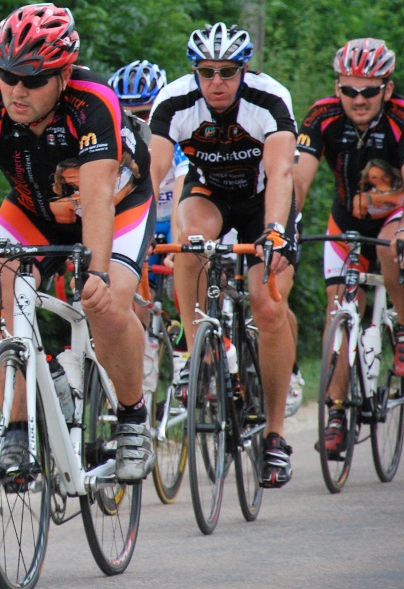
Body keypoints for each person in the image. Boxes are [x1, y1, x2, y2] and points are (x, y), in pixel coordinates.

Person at [0, 4, 157, 482]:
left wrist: (98, 273)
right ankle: (17, 431)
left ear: (63, 74)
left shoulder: (94, 102)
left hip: (116, 205)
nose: (16, 90)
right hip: (35, 210)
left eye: (33, 79)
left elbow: (100, 197)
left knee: (108, 305)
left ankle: (131, 420)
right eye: (7, 74)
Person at [148, 22, 298, 488]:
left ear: (243, 70)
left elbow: (280, 174)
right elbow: (153, 173)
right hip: (208, 191)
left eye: (227, 72)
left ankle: (274, 436)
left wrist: (273, 231)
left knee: (268, 304)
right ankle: (198, 357)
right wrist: (133, 238)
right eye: (206, 71)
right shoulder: (174, 102)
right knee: (190, 241)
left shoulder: (269, 101)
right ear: (194, 71)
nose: (216, 81)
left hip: (262, 202)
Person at [294, 38, 404, 453]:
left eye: (369, 90)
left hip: (400, 213)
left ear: (386, 88)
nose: (358, 98)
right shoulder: (322, 115)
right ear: (338, 88)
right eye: (349, 89)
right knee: (338, 309)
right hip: (347, 218)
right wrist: (284, 224)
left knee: (391, 246)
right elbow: (298, 178)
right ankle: (335, 412)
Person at [108, 60, 191, 397]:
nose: (137, 122)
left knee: (184, 273)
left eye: (144, 113)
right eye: (128, 114)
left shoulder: (173, 135)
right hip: (142, 217)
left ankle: (189, 354)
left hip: (178, 214)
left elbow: (184, 186)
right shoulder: (116, 140)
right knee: (134, 301)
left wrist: (178, 244)